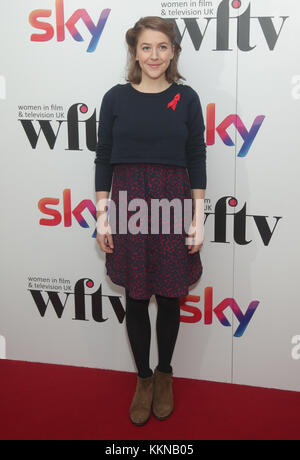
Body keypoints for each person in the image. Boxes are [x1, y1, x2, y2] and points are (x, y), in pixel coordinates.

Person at [94, 16, 206, 426]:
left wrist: (198, 218)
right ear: (134, 52)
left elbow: (196, 156)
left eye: (162, 46)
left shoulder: (187, 97)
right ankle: (143, 378)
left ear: (173, 51)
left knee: (171, 296)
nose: (154, 55)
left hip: (174, 204)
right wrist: (103, 217)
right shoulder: (115, 98)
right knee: (137, 298)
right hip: (128, 205)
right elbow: (103, 156)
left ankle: (165, 375)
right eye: (146, 47)